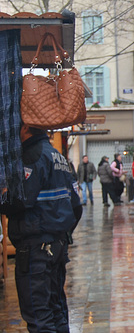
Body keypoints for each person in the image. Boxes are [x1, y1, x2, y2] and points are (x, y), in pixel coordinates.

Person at [1, 125, 82, 332]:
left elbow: (20, 201)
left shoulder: (30, 156)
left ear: (25, 128)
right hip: (56, 246)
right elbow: (76, 206)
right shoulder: (59, 157)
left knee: (39, 316)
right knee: (57, 310)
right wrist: (61, 234)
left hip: (35, 248)